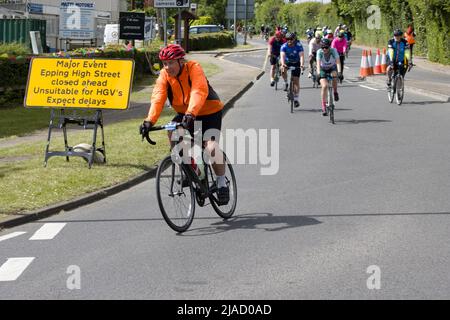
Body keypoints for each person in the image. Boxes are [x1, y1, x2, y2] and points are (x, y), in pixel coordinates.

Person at [140, 44, 230, 204]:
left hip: (209, 112)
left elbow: (199, 91)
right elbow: (158, 97)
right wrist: (149, 121)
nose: (167, 67)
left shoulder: (194, 68)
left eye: (171, 62)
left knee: (211, 147)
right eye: (164, 63)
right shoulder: (164, 76)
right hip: (185, 113)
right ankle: (193, 170)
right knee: (172, 132)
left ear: (181, 61)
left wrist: (191, 113)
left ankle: (222, 183)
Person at [316, 38, 342, 116]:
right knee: (324, 86)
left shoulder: (333, 51)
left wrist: (340, 72)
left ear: (329, 47)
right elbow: (318, 63)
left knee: (334, 75)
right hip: (323, 69)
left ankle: (335, 92)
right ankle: (323, 106)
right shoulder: (319, 52)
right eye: (322, 47)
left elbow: (338, 62)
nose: (324, 49)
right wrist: (318, 74)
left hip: (332, 67)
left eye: (326, 47)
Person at [280, 32, 305, 108]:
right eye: (287, 39)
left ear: (294, 39)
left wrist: (301, 65)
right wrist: (283, 63)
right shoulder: (284, 46)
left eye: (291, 39)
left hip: (296, 62)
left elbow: (301, 56)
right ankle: (285, 82)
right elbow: (282, 56)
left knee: (296, 81)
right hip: (287, 62)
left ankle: (296, 99)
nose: (289, 41)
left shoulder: (298, 46)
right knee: (282, 69)